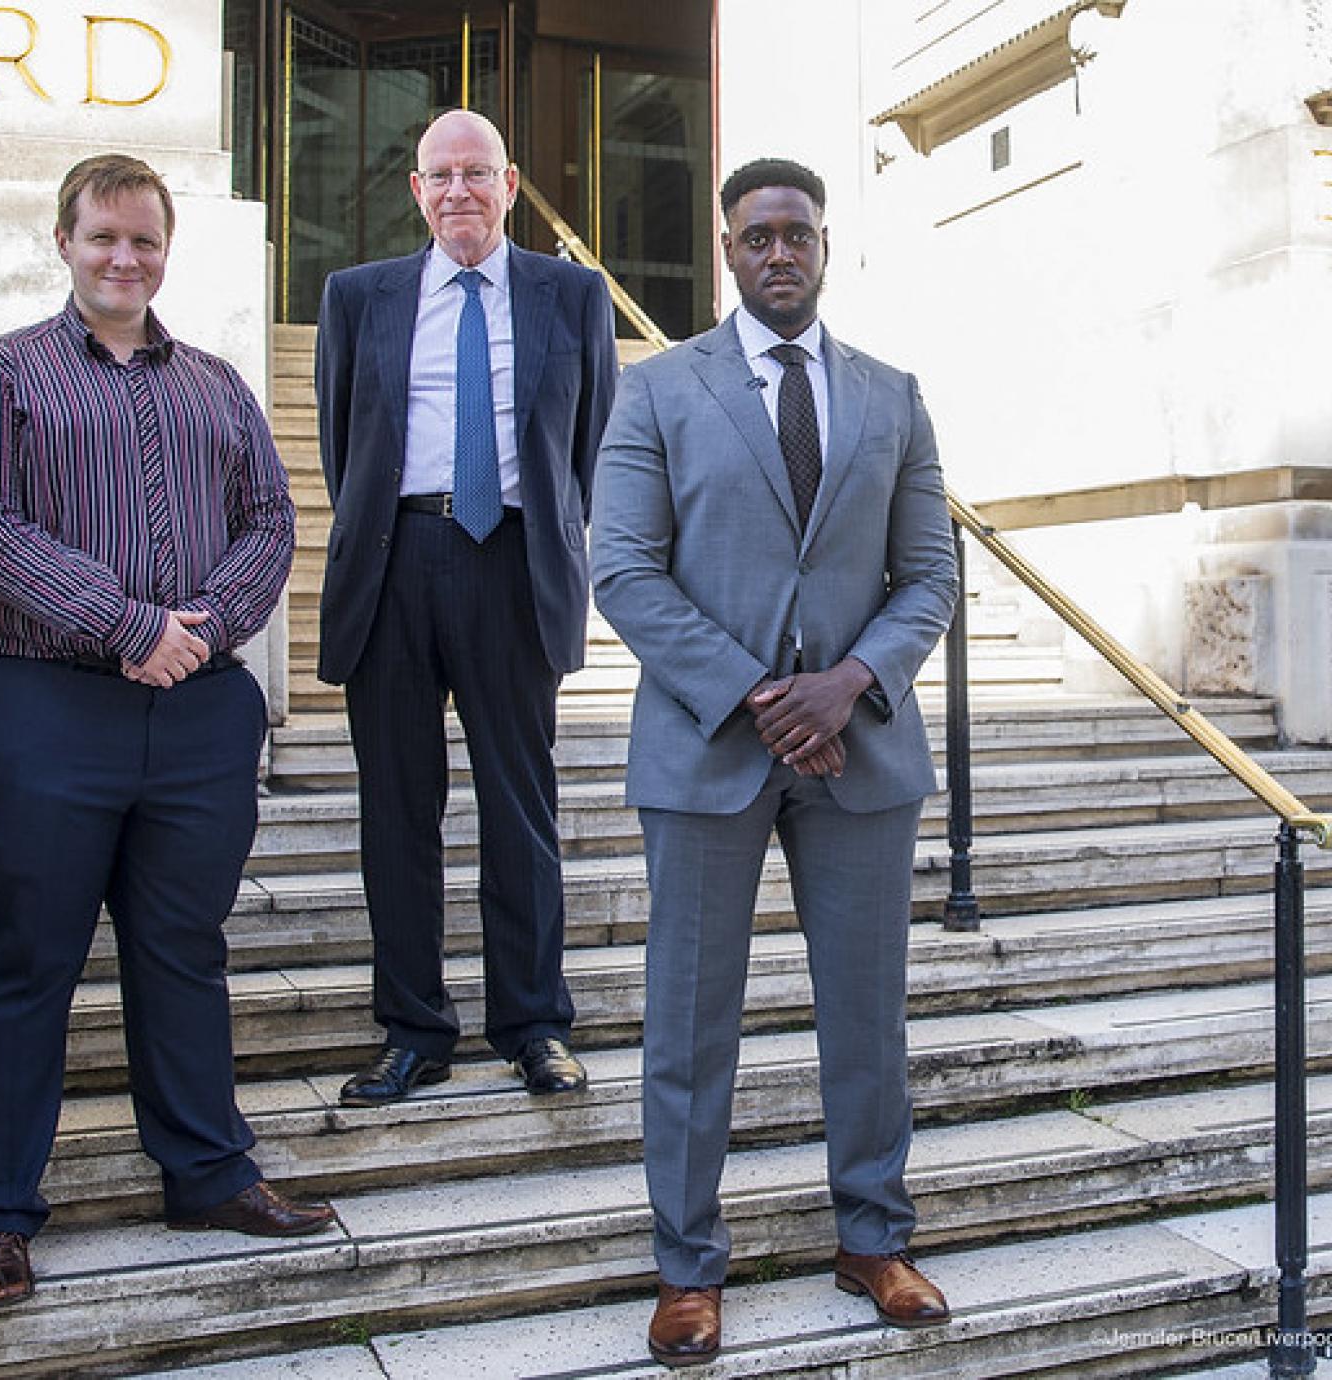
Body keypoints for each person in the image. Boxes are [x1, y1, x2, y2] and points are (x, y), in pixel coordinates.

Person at [0, 153, 332, 1312]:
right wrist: (124, 625)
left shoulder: (214, 383)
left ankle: (206, 1172)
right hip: (40, 707)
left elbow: (271, 516)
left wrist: (201, 636)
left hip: (196, 712)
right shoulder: (2, 373)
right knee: (24, 960)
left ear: (165, 252)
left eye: (143, 242)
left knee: (182, 949)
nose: (124, 258)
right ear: (65, 241)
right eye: (103, 237)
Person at [590, 157, 960, 1365]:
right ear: (726, 252)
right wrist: (759, 694)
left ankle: (872, 1239)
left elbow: (928, 577)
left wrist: (849, 684)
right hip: (708, 750)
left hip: (859, 753)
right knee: (687, 1025)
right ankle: (688, 1268)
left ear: (824, 245)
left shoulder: (891, 396)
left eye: (796, 232)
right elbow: (624, 571)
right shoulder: (653, 393)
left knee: (866, 1017)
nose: (778, 252)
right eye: (756, 236)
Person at [314, 110, 618, 1105]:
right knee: (395, 813)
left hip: (511, 567)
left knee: (518, 811)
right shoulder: (357, 298)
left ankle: (532, 1025)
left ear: (510, 183)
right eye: (438, 175)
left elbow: (587, 447)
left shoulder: (571, 295)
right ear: (414, 190)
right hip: (396, 563)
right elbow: (340, 444)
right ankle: (413, 1031)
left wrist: (543, 544)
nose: (457, 191)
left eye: (475, 173)